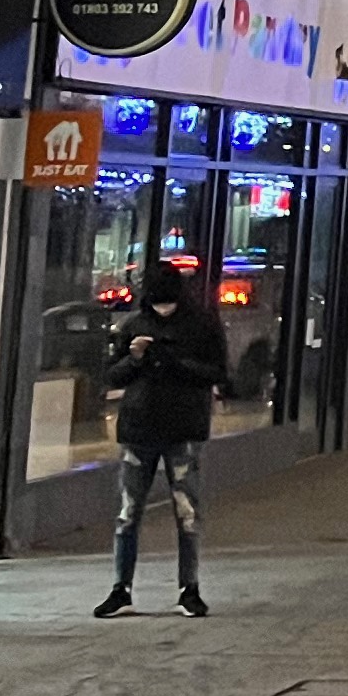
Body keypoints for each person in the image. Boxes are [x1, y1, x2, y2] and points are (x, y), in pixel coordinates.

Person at [94, 262, 230, 618]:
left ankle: (189, 588)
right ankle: (121, 588)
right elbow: (111, 375)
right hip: (140, 429)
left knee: (186, 513)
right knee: (128, 513)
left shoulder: (201, 325)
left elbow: (218, 372)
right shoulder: (134, 326)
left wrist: (175, 362)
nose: (163, 311)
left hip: (182, 429)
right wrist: (136, 358)